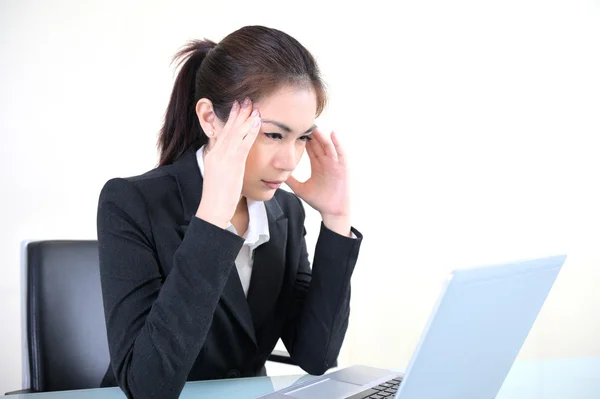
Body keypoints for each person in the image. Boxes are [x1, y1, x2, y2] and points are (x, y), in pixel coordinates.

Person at [96, 25, 362, 399]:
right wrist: (211, 221)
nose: (289, 161)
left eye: (302, 137)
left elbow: (316, 356)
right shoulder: (131, 203)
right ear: (210, 119)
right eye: (273, 135)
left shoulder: (285, 213)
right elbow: (147, 386)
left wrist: (336, 220)